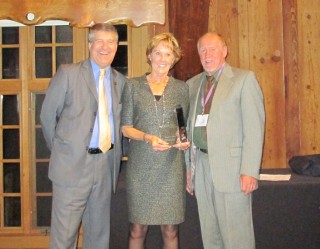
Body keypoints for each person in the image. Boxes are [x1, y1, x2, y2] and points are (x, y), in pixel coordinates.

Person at [40, 24, 126, 249]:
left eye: (110, 42)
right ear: (89, 45)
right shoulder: (68, 73)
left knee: (98, 238)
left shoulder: (120, 81)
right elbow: (48, 118)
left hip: (105, 167)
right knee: (64, 239)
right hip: (72, 169)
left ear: (117, 47)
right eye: (99, 41)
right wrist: (64, 152)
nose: (105, 47)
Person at [185, 32, 265, 249]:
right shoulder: (192, 85)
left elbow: (254, 129)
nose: (207, 54)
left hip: (232, 170)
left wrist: (249, 170)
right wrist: (189, 168)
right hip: (201, 166)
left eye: (212, 49)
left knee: (236, 237)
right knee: (210, 235)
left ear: (224, 51)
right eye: (202, 50)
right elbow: (189, 128)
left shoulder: (243, 79)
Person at [121, 33, 190, 249]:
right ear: (149, 56)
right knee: (137, 229)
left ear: (174, 58)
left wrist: (183, 140)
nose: (162, 58)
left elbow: (182, 124)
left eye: (167, 54)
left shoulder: (181, 88)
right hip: (141, 167)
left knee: (170, 229)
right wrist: (147, 137)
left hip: (171, 167)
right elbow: (125, 128)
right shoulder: (132, 86)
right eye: (158, 53)